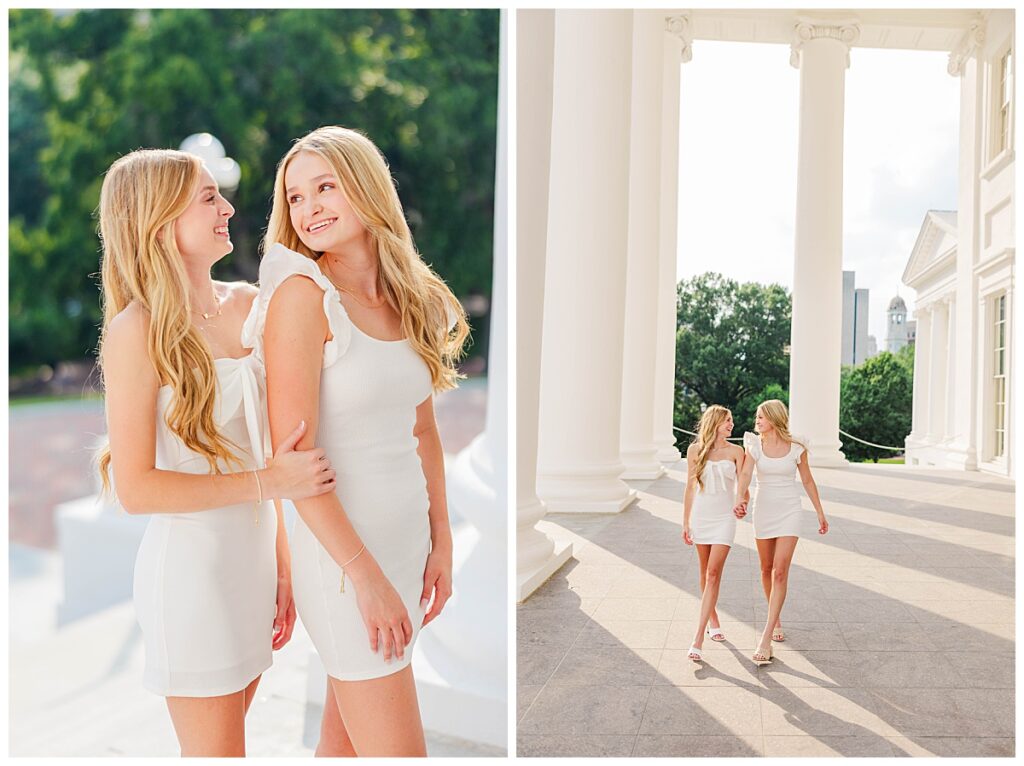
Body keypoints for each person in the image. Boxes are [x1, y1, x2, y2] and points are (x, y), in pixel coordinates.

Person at [97, 148, 337, 756]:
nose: (228, 207)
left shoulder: (251, 304)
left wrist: (282, 563)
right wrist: (268, 483)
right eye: (208, 197)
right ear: (158, 220)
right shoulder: (136, 331)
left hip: (251, 569)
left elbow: (269, 446)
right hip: (190, 581)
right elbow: (138, 489)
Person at [242, 126, 470, 756]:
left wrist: (442, 539)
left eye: (324, 187)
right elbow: (292, 463)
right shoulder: (301, 297)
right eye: (294, 197)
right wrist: (366, 579)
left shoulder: (407, 297)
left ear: (366, 189)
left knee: (342, 749)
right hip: (345, 563)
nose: (308, 207)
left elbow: (422, 430)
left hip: (403, 547)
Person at [733, 399, 829, 665]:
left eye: (761, 417)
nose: (757, 421)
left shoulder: (797, 446)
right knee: (765, 569)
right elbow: (745, 475)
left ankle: (765, 639)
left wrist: (820, 511)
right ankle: (776, 619)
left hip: (789, 510)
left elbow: (807, 480)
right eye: (757, 417)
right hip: (763, 509)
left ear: (774, 419)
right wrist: (739, 498)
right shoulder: (754, 445)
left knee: (780, 570)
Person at [681, 405, 745, 662]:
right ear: (715, 422)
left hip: (724, 519)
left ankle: (698, 638)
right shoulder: (695, 450)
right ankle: (713, 619)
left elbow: (744, 486)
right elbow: (689, 488)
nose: (731, 424)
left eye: (731, 420)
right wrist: (685, 522)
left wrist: (742, 503)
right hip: (701, 516)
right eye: (727, 420)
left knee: (713, 572)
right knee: (704, 571)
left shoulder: (737, 451)